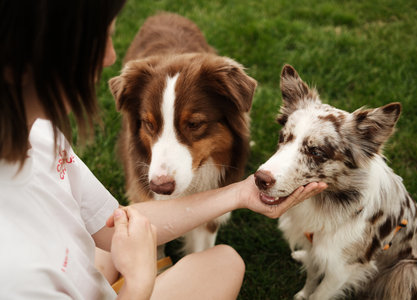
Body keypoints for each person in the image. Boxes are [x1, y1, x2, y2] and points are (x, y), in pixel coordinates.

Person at [0, 1, 328, 299]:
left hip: (78, 271)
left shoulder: (40, 133)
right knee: (225, 262)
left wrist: (239, 195)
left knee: (221, 260)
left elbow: (115, 226)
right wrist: (140, 283)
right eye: (95, 41)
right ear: (20, 58)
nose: (111, 57)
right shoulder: (15, 276)